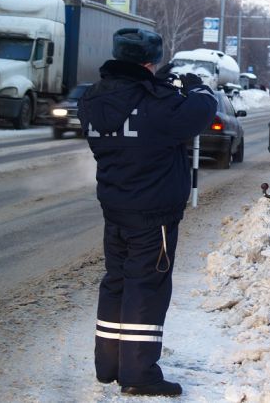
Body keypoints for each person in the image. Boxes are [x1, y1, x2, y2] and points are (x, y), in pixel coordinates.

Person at [78, 28, 217, 397]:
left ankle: (108, 364)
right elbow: (201, 111)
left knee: (117, 281)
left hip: (116, 206)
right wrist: (196, 85)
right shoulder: (157, 102)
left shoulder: (93, 100)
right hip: (152, 213)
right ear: (148, 62)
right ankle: (139, 373)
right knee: (147, 287)